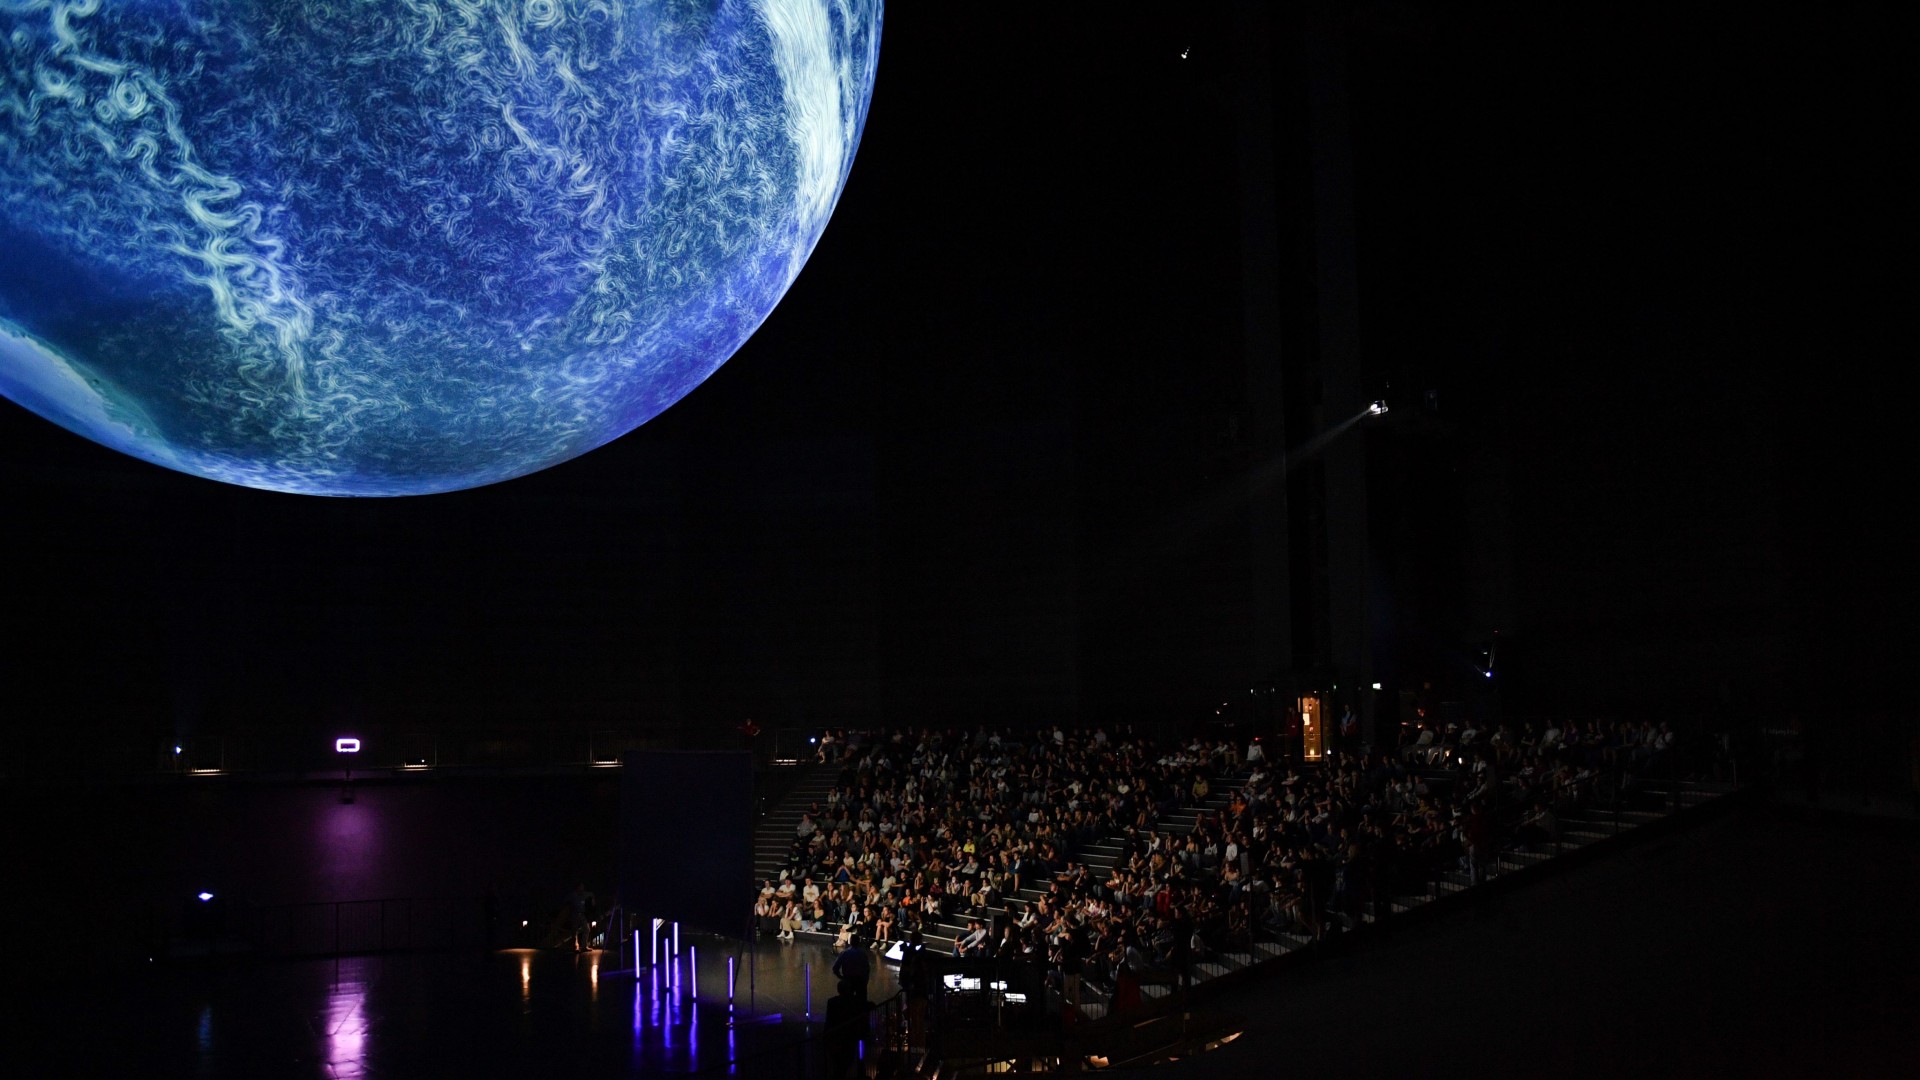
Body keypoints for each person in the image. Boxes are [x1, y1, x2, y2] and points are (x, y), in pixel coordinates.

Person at [822, 979, 870, 1080]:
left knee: (838, 1063)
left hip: (836, 1037)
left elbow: (829, 1019)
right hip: (850, 1036)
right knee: (847, 1060)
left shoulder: (832, 1002)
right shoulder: (855, 1001)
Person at [566, 883, 595, 952]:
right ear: (577, 888)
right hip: (574, 914)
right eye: (581, 887)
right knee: (574, 931)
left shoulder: (584, 894)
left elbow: (591, 894)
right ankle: (575, 947)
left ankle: (584, 946)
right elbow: (566, 901)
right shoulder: (573, 895)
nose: (582, 888)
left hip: (582, 915)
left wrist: (593, 900)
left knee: (587, 929)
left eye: (583, 887)